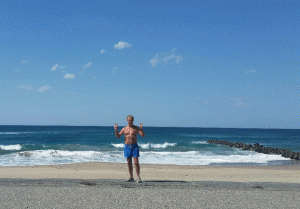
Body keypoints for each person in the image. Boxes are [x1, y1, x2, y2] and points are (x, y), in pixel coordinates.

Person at [114, 115, 145, 183]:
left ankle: (138, 177)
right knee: (129, 163)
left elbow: (143, 135)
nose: (130, 121)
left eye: (131, 120)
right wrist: (116, 130)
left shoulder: (136, 128)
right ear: (127, 120)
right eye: (128, 120)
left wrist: (141, 129)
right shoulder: (124, 129)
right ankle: (131, 177)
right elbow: (118, 136)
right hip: (127, 146)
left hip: (134, 146)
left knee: (136, 162)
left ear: (133, 120)